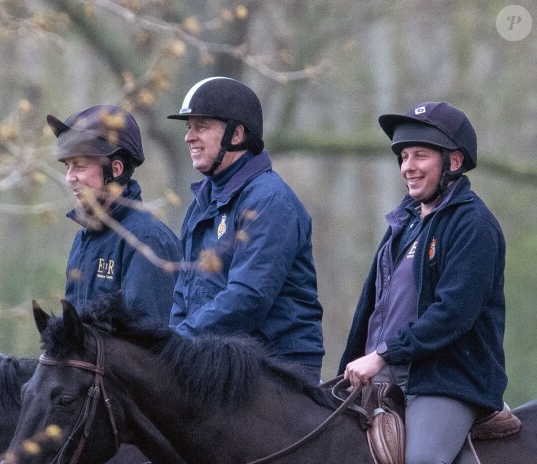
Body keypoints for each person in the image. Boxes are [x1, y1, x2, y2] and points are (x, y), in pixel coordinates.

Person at [338, 101, 507, 464]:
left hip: (445, 380)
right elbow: (374, 308)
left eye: (420, 155)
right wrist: (350, 367)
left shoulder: (474, 226)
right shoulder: (404, 223)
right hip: (384, 375)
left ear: (454, 162)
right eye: (403, 157)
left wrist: (381, 354)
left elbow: (453, 314)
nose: (407, 167)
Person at [167, 76, 324, 384]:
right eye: (188, 127)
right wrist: (172, 345)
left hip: (276, 371)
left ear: (236, 134)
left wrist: (177, 343)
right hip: (217, 360)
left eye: (201, 126)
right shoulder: (202, 201)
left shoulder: (270, 200)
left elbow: (248, 297)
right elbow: (183, 293)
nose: (189, 137)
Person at [47, 104, 182, 326]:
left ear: (116, 169)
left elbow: (150, 348)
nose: (69, 178)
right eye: (67, 167)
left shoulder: (146, 241)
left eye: (79, 166)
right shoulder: (83, 240)